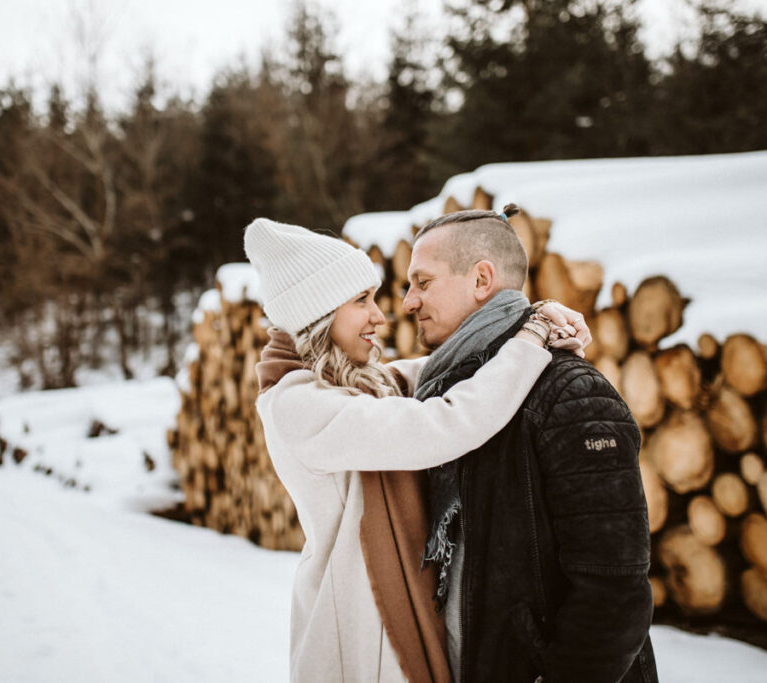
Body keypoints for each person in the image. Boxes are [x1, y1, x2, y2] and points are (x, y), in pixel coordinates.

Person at [243, 217, 590, 683]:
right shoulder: (298, 406)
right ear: (319, 315)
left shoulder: (358, 386)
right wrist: (531, 339)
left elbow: (441, 367)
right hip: (356, 628)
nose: (380, 316)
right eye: (360, 301)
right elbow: (442, 422)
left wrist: (524, 320)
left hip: (384, 614)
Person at [402, 205, 657, 683]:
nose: (407, 302)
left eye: (423, 282)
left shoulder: (570, 394)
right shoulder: (452, 399)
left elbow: (614, 591)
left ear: (482, 280)